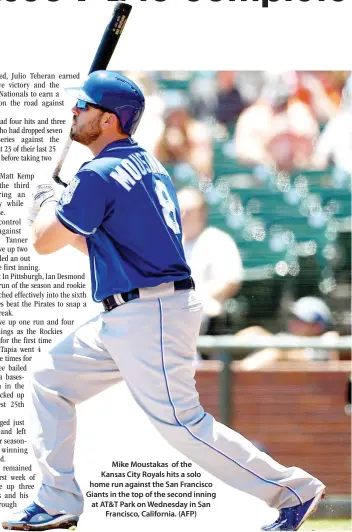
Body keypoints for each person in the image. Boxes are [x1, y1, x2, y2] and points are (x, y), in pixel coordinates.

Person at [2, 71, 325, 532]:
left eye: (84, 106)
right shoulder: (143, 164)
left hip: (148, 312)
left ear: (110, 119)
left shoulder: (99, 173)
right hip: (134, 310)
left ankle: (293, 490)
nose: (74, 111)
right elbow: (98, 247)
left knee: (183, 424)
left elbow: (44, 243)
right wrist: (54, 210)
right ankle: (56, 498)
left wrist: (41, 209)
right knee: (48, 378)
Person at [177, 186, 243, 335]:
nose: (183, 215)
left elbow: (231, 282)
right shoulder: (169, 242)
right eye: (179, 210)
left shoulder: (218, 240)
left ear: (202, 213)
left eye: (189, 211)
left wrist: (198, 297)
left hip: (206, 310)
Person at [235, 71, 319, 173]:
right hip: (260, 177)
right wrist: (266, 149)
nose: (280, 106)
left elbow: (312, 152)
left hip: (297, 174)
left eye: (283, 102)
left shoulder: (300, 112)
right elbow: (243, 153)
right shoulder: (251, 116)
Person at [239, 297, 339, 370]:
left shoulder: (324, 346)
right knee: (254, 332)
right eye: (294, 317)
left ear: (317, 327)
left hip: (306, 395)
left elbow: (301, 356)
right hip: (274, 392)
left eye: (301, 319)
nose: (294, 322)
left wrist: (281, 352)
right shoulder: (289, 338)